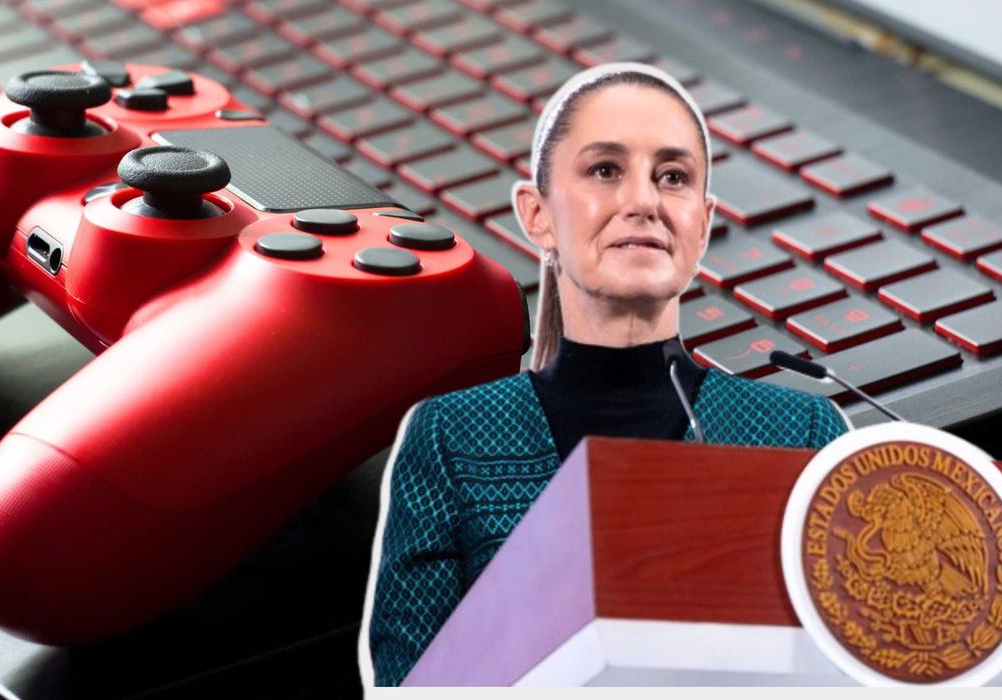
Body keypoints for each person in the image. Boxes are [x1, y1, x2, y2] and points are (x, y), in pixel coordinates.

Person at [358, 62, 850, 687]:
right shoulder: (449, 437)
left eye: (672, 177)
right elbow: (410, 684)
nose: (642, 202)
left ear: (701, 223)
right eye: (604, 170)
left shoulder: (802, 433)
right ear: (536, 214)